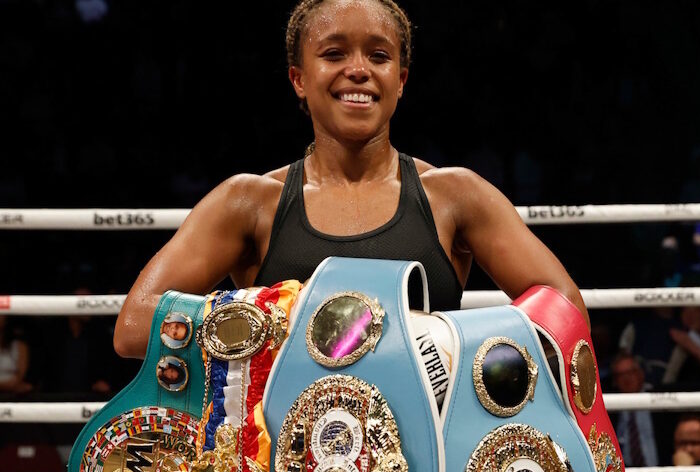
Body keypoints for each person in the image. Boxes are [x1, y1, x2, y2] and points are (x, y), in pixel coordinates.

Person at [114, 0, 588, 359]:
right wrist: (271, 324)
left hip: (431, 454)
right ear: (299, 79)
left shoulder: (453, 195)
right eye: (334, 53)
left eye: (378, 56)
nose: (358, 69)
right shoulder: (250, 202)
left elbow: (565, 310)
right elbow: (134, 325)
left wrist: (457, 351)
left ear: (400, 80)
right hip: (288, 456)